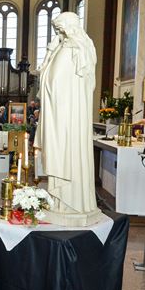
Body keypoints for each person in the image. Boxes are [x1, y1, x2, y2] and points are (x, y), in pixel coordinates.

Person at [34, 12, 101, 226]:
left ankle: (70, 202)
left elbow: (58, 84)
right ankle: (62, 201)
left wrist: (51, 54)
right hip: (63, 117)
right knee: (65, 156)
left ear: (69, 27)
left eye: (59, 29)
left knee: (67, 156)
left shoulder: (74, 48)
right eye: (56, 30)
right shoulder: (71, 48)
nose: (57, 34)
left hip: (66, 119)